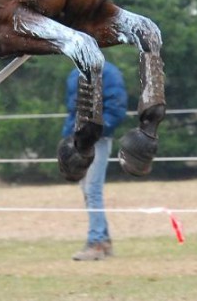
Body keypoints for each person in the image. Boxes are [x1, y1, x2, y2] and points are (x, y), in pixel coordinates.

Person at [63, 60, 129, 261]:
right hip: (78, 140)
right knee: (87, 190)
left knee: (92, 190)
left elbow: (117, 108)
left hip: (97, 140)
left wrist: (96, 130)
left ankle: (97, 242)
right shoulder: (75, 75)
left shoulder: (109, 73)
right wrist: (67, 138)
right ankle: (103, 240)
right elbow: (72, 111)